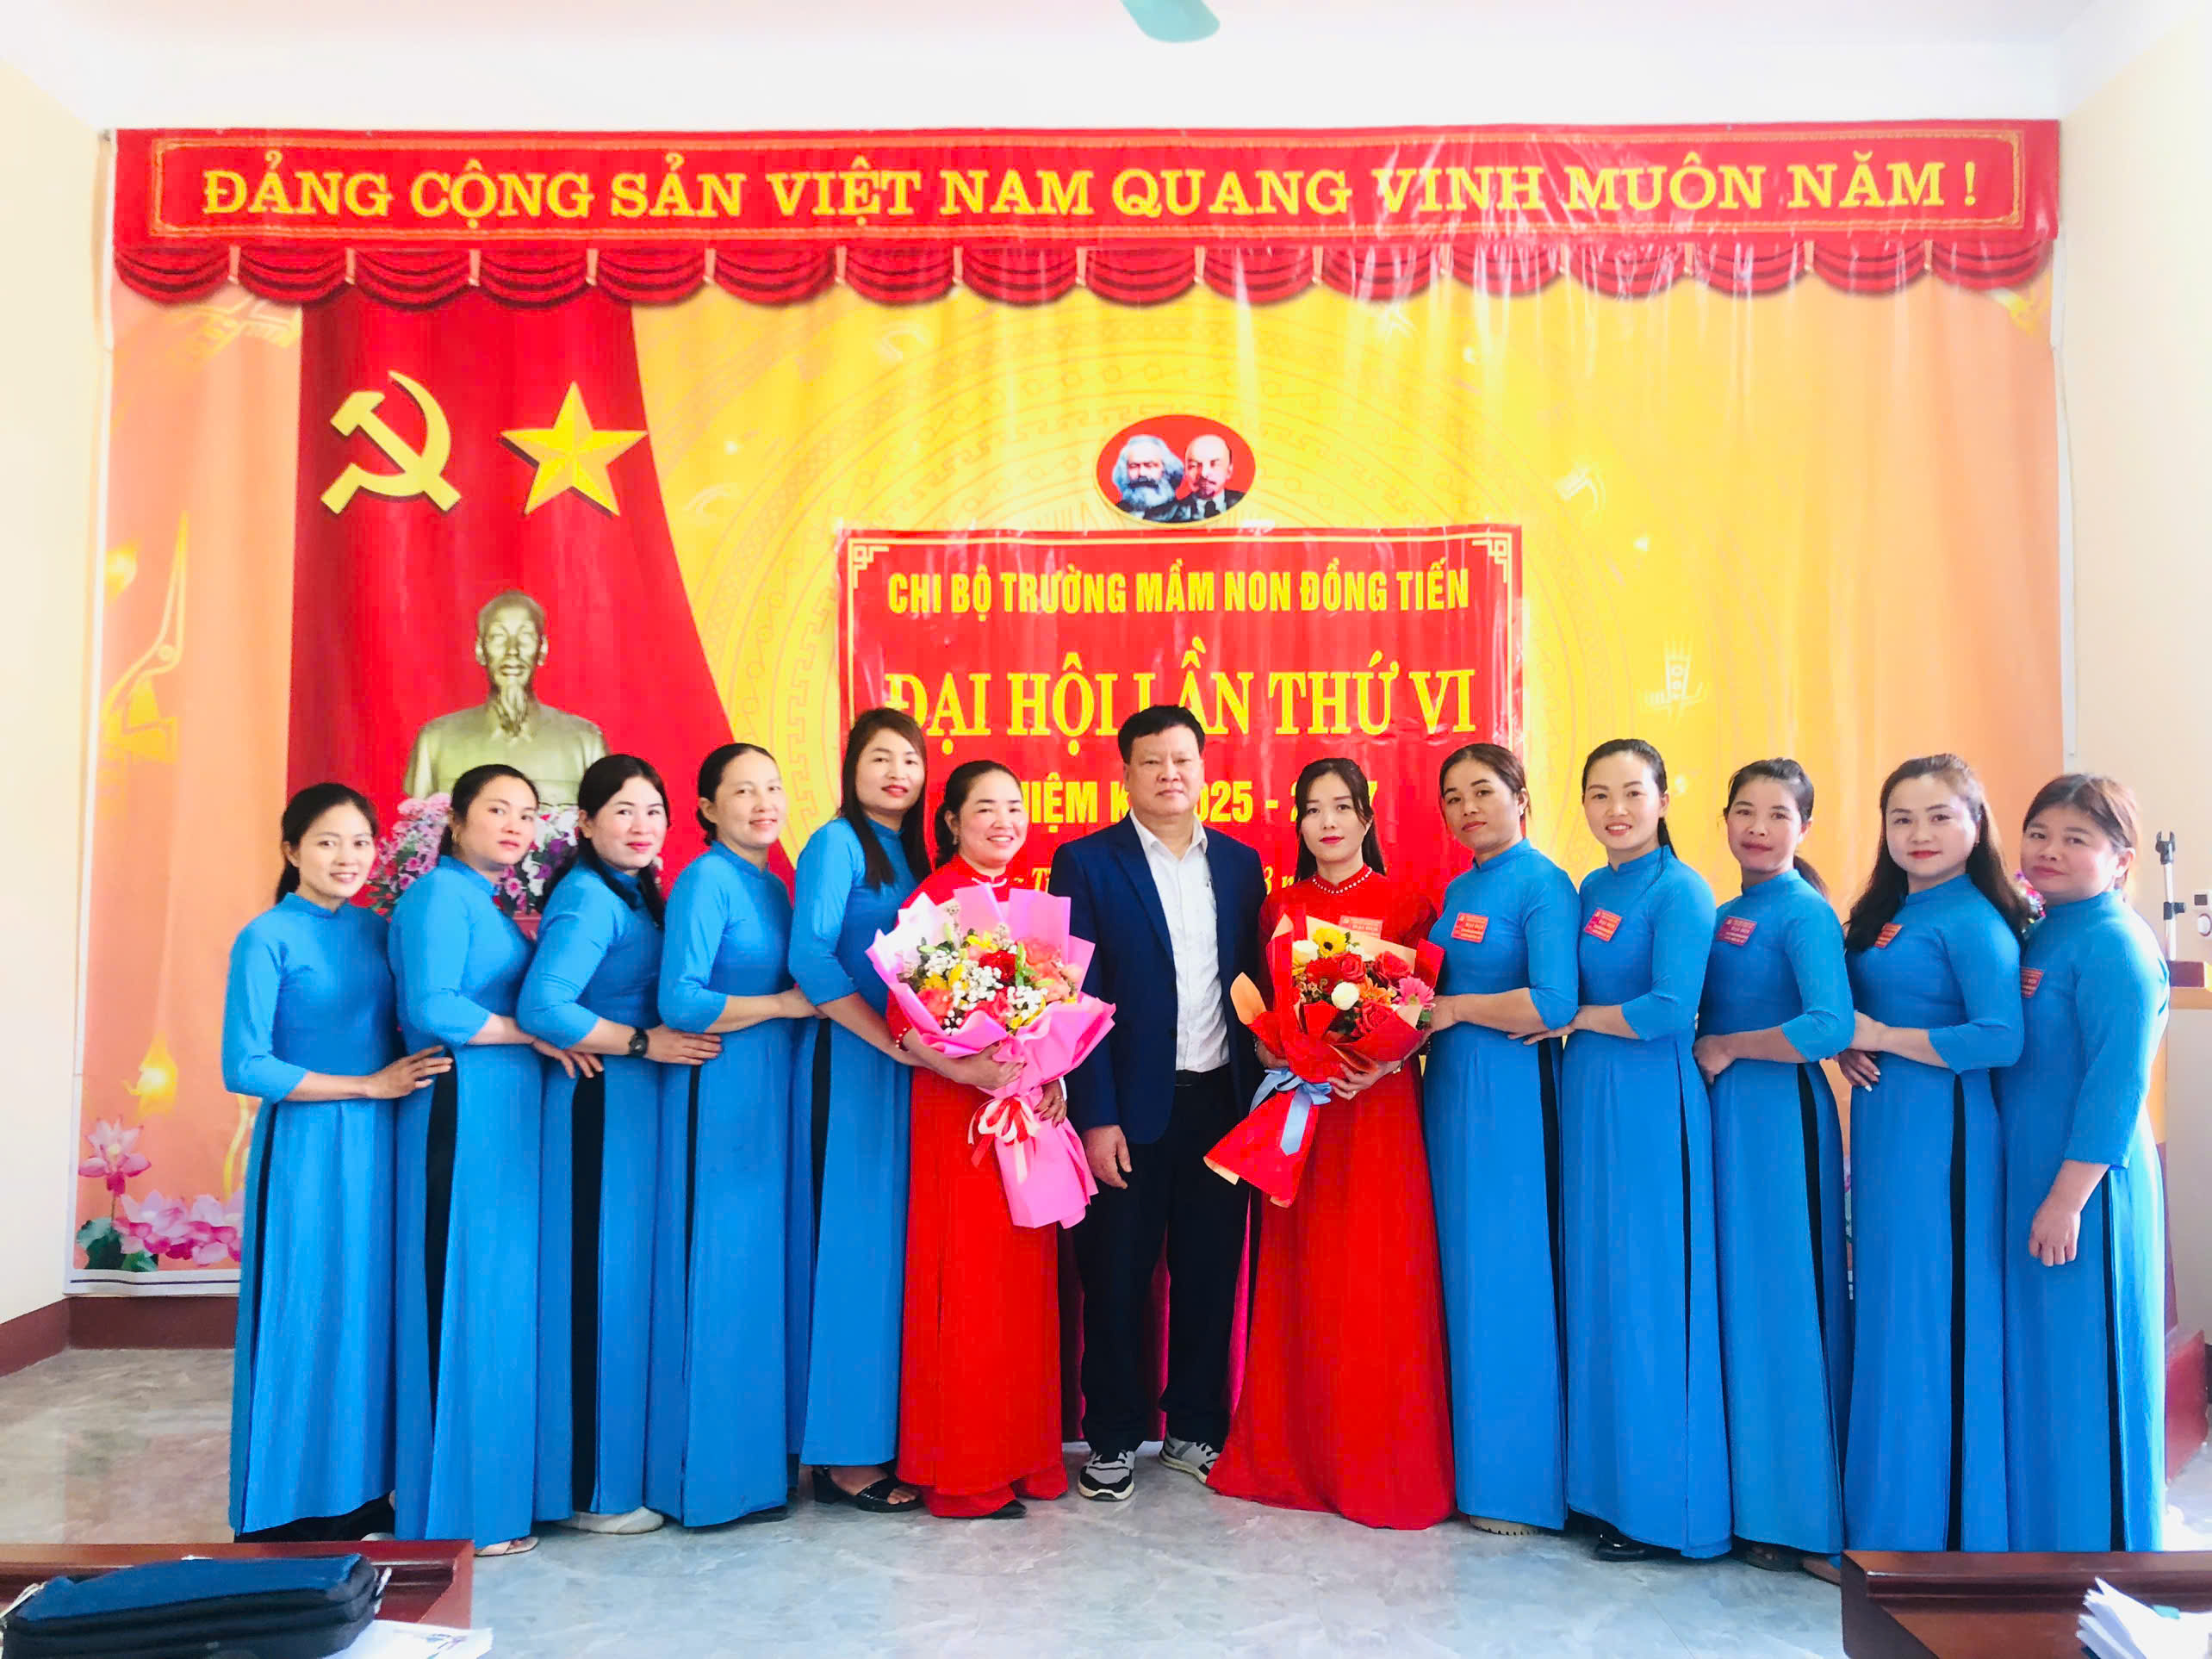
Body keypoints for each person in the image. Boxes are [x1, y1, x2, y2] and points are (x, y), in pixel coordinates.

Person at [1210, 757, 1454, 1530]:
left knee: (1378, 1273)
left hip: (1378, 1113)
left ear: (1366, 818)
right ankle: (1296, 1454)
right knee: (1304, 1274)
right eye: (1313, 810)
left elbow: (1424, 1010)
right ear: (1299, 824)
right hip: (1303, 1115)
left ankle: (1377, 1459)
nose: (1328, 822)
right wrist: (1274, 1047)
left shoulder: (1407, 903)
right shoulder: (1279, 906)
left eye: (1342, 807)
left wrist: (1383, 1063)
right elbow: (1264, 1007)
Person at [224, 784, 450, 1543]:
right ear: (291, 851)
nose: (347, 857)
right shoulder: (266, 938)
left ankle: (358, 1492)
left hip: (384, 1145)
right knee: (307, 1311)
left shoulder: (378, 931)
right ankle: (285, 1506)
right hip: (309, 1150)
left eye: (360, 842)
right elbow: (245, 1065)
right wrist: (365, 1086)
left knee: (368, 1314)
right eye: (327, 842)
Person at [1049, 705, 1264, 1502]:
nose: (1169, 774)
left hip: (1222, 1106)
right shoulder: (1085, 863)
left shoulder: (1240, 864)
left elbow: (1253, 985)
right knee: (1115, 1276)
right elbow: (1078, 995)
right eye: (1152, 761)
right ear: (1126, 773)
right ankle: (1111, 1435)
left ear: (1204, 769)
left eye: (1182, 760)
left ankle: (1194, 1430)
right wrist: (1095, 1116)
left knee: (1210, 1276)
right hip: (1127, 1111)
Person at [519, 755, 719, 1536]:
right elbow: (545, 1006)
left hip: (634, 1112)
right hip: (599, 1107)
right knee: (595, 1291)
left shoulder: (634, 892)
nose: (641, 827)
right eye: (624, 811)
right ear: (586, 823)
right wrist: (641, 1042)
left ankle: (616, 1472)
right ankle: (588, 1490)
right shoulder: (588, 898)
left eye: (653, 812)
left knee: (624, 1288)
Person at [1837, 754, 2029, 1552]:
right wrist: (1849, 1043)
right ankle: (1880, 1520)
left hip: (1943, 1141)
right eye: (1902, 819)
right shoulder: (1892, 910)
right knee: (1888, 1314)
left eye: (1940, 816)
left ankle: (1929, 1534)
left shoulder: (1974, 921)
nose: (1919, 833)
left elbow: (2000, 1037)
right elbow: (1858, 1011)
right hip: (1887, 1133)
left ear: (1976, 825)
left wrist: (1884, 1036)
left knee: (1927, 1320)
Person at [389, 762, 578, 1556]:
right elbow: (432, 1006)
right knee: (458, 1298)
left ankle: (493, 1497)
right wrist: (531, 1032)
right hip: (460, 1107)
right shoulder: (439, 895)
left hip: (503, 1119)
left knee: (494, 1303)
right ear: (455, 820)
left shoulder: (488, 900)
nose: (513, 825)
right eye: (496, 809)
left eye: (526, 813)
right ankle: (455, 1515)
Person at [1550, 737, 1730, 1563]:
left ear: (1663, 799)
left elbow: (1668, 1009)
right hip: (1589, 1097)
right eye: (1599, 794)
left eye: (1632, 792)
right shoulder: (1591, 889)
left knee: (1651, 1293)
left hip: (1652, 1102)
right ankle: (1602, 1490)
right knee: (1598, 1287)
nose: (1615, 809)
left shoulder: (1681, 891)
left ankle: (1661, 1510)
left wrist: (1575, 1018)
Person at [649, 743, 819, 1526]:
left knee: (763, 1274)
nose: (763, 803)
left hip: (774, 1092)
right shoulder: (705, 879)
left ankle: (762, 1468)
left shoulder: (775, 887)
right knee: (724, 1272)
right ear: (708, 808)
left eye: (773, 788)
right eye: (743, 791)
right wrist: (781, 1006)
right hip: (721, 1088)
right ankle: (714, 1480)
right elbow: (680, 1001)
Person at [1692, 760, 1853, 1573]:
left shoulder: (1805, 914)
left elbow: (1829, 1025)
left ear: (1804, 827)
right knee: (1735, 1303)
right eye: (1744, 811)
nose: (1758, 827)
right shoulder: (1721, 914)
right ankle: (1749, 1504)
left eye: (1778, 814)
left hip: (1781, 1122)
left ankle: (1809, 1520)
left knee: (1788, 1305)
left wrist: (1729, 1045)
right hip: (1720, 1120)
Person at [2002, 774, 2168, 1550]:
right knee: (2045, 1368)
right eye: (2040, 833)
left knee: (2089, 1370)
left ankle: (2105, 1557)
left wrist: (2068, 1199)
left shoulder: (2115, 945)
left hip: (2088, 1190)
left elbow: (2117, 1084)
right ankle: (2042, 1543)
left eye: (2077, 839)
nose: (2051, 850)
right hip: (2032, 1175)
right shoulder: (2043, 929)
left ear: (2122, 859)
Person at [895, 761, 1064, 1519]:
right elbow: (905, 1023)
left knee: (1023, 1282)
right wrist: (964, 1070)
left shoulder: (1032, 901)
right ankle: (967, 1469)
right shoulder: (932, 900)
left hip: (1024, 1112)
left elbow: (1055, 1016)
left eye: (1014, 807)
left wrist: (1055, 1077)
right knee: (968, 1281)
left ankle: (1026, 1455)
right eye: (985, 808)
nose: (1003, 821)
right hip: (957, 1112)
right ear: (952, 822)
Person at [1419, 743, 1579, 1536]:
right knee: (1460, 1274)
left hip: (1511, 1096)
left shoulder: (1544, 884)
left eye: (1482, 791)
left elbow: (1554, 1002)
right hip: (1449, 1092)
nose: (1468, 808)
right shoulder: (1459, 888)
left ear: (1520, 795)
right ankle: (1468, 1468)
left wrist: (1454, 1010)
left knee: (1510, 1274)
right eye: (1453, 798)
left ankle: (1519, 1488)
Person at [791, 709, 930, 1512]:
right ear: (851, 768)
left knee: (894, 1257)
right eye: (880, 758)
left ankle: (889, 1433)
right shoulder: (835, 843)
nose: (895, 773)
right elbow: (810, 955)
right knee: (853, 1251)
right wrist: (885, 1040)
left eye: (908, 759)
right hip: (852, 1065)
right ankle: (844, 1458)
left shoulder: (916, 853)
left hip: (914, 1071)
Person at [403, 591, 606, 807]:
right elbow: (420, 822)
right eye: (498, 637)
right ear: (480, 650)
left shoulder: (586, 743)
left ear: (542, 649)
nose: (512, 651)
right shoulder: (435, 742)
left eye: (525, 637)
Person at [1148, 432, 1245, 523]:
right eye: (1194, 466)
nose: (1204, 473)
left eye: (1214, 464)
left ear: (1229, 470)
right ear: (1186, 470)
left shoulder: (1248, 505)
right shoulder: (1162, 517)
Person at [1110, 434, 1183, 517]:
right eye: (1133, 466)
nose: (1142, 473)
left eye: (1149, 465)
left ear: (1166, 469)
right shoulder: (1114, 512)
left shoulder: (1183, 514)